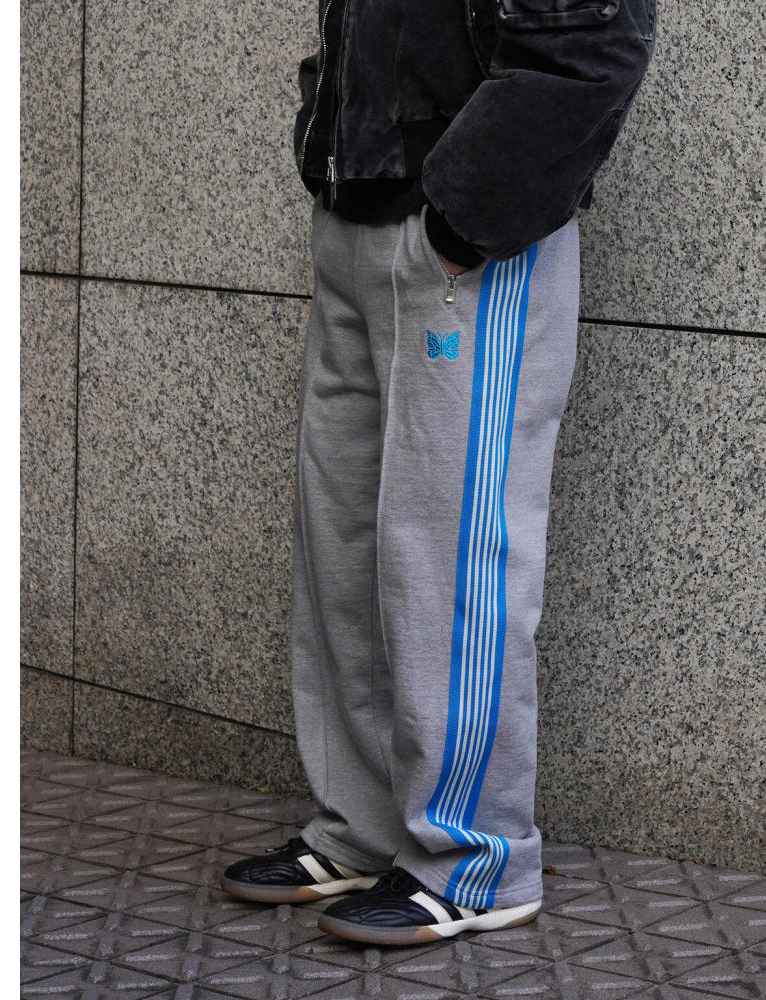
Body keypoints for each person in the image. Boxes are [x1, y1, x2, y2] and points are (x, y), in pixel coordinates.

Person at [222, 0, 656, 946]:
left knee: (452, 558)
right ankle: (363, 829)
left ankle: (475, 859)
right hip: (358, 210)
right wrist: (326, 142)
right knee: (343, 548)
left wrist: (462, 217)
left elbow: (591, 43)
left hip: (465, 239)